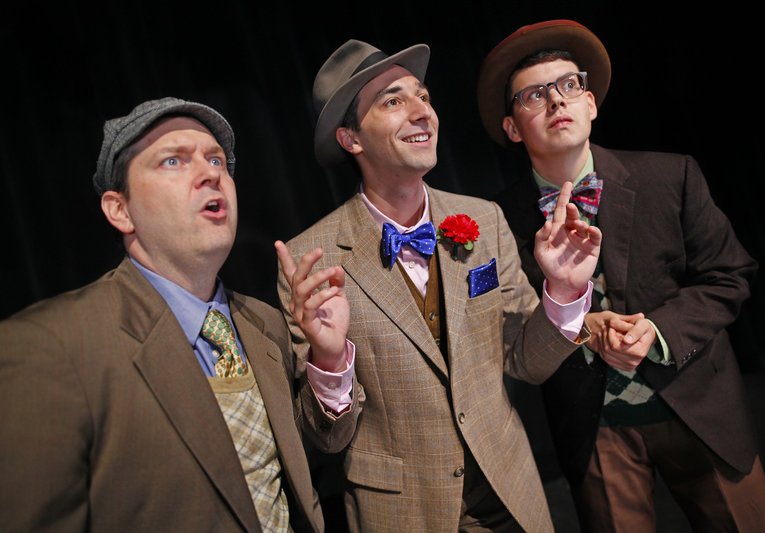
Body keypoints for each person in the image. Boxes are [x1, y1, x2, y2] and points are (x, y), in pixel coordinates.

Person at [275, 38, 601, 532]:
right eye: (392, 101)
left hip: (509, 493)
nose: (421, 111)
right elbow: (327, 439)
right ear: (351, 140)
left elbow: (526, 363)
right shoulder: (308, 259)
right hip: (405, 514)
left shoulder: (483, 220)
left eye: (422, 96)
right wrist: (329, 359)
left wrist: (563, 293)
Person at [476, 19, 765, 532]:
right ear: (511, 127)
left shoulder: (670, 175)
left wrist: (660, 331)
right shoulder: (496, 220)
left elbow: (729, 274)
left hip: (699, 406)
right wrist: (579, 324)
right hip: (594, 428)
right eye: (534, 95)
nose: (556, 102)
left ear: (591, 103)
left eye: (569, 85)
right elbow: (504, 324)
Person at [0, 96, 360, 532]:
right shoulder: (50, 344)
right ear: (120, 209)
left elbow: (315, 455)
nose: (212, 173)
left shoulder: (264, 323)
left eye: (216, 161)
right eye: (173, 161)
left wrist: (328, 358)